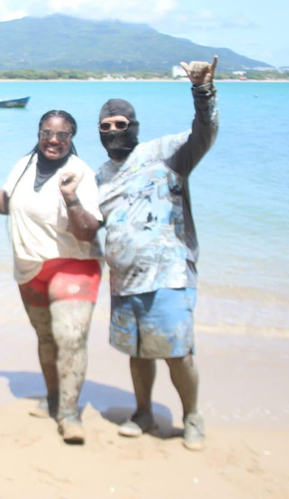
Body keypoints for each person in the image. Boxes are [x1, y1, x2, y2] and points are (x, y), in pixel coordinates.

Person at [95, 56, 219, 450]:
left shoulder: (163, 153)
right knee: (138, 351)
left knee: (177, 352)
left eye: (121, 124)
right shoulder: (98, 176)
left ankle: (192, 416)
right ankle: (144, 412)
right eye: (106, 126)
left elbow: (205, 133)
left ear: (134, 126)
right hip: (124, 280)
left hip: (170, 273)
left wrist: (202, 91)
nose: (114, 130)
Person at [0, 110, 103, 444]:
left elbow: (87, 232)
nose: (54, 140)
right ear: (39, 133)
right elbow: (7, 204)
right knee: (46, 338)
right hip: (29, 268)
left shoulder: (81, 173)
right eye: (47, 133)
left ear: (72, 137)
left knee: (70, 337)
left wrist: (71, 197)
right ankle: (53, 399)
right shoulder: (24, 163)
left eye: (63, 135)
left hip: (73, 264)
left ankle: (69, 414)